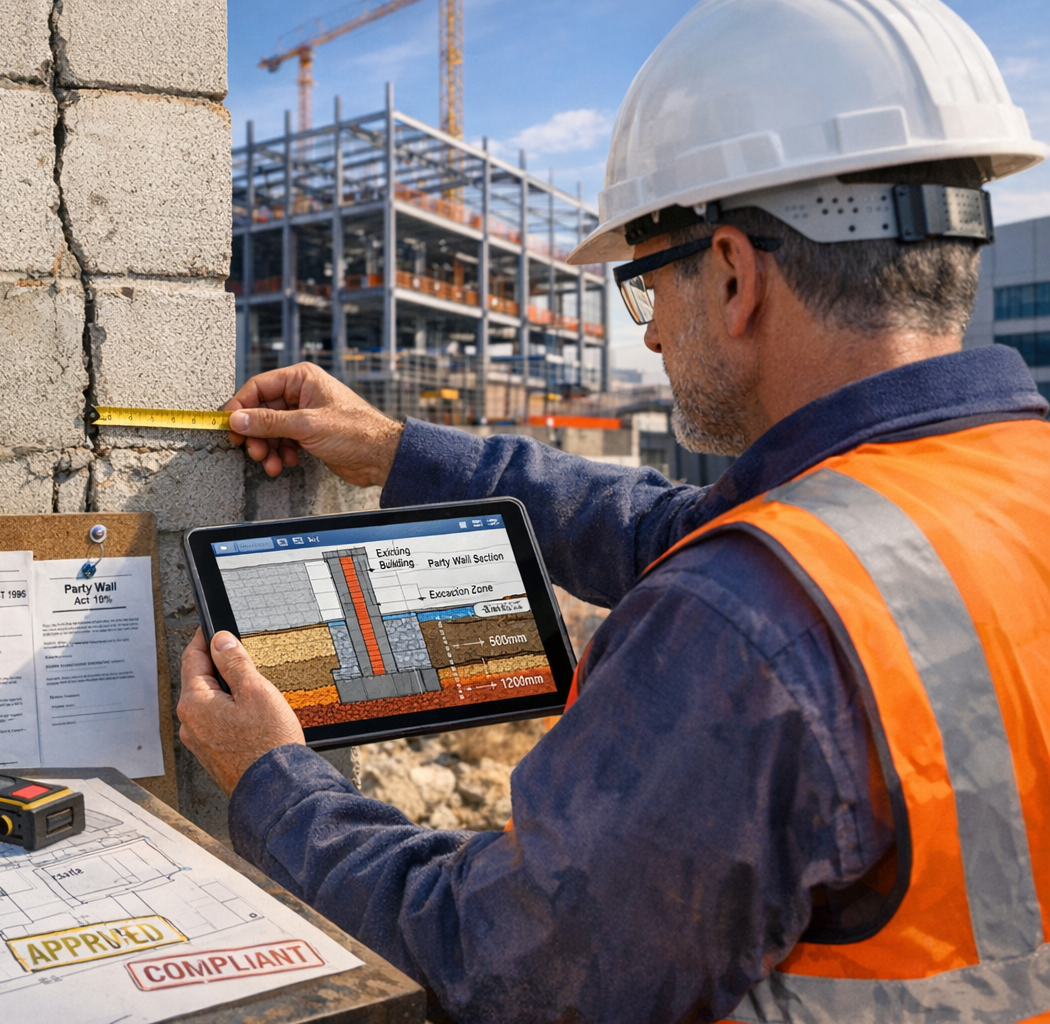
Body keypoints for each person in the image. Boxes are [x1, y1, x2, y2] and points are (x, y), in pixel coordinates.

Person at [177, 1, 1050, 1021]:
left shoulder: (747, 624)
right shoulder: (988, 487)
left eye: (644, 288)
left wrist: (273, 782)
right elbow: (657, 525)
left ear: (732, 274)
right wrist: (398, 452)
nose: (646, 342)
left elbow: (510, 966)